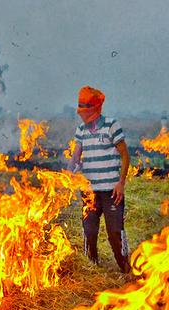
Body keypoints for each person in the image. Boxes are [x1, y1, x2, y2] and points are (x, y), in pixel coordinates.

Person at [68, 86, 132, 273]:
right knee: (89, 232)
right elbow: (76, 156)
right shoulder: (81, 130)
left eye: (84, 110)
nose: (80, 114)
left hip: (112, 191)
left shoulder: (111, 126)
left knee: (115, 233)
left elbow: (125, 156)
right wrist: (69, 172)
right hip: (89, 192)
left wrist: (121, 183)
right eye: (80, 110)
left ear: (94, 110)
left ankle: (125, 269)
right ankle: (92, 268)